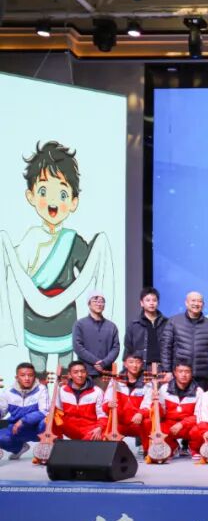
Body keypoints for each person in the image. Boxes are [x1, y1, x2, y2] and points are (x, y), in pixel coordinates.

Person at [3, 141, 113, 374]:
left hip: (65, 318)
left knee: (66, 372)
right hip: (34, 319)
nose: (53, 202)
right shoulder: (30, 238)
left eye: (62, 194)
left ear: (73, 202)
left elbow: (89, 267)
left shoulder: (72, 240)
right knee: (36, 372)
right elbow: (18, 270)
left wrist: (99, 244)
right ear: (31, 195)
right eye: (44, 192)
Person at [160, 291, 208, 389]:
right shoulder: (174, 321)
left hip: (201, 376)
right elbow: (165, 348)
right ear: (186, 303)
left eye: (199, 301)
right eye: (193, 300)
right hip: (179, 376)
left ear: (203, 304)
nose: (196, 304)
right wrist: (167, 370)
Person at [140, 360, 199, 458]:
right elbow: (160, 415)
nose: (183, 375)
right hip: (169, 424)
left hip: (188, 426)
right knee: (150, 424)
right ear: (175, 373)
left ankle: (194, 449)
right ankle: (173, 446)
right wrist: (156, 403)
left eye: (187, 372)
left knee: (199, 429)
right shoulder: (164, 389)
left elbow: (199, 415)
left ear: (191, 373)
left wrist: (182, 424)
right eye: (180, 371)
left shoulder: (198, 391)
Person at [0, 362, 48, 459]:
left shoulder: (41, 389)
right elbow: (2, 411)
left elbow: (45, 411)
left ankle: (46, 450)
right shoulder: (7, 392)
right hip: (16, 430)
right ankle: (20, 448)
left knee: (46, 421)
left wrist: (23, 420)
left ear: (34, 377)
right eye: (22, 375)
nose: (27, 378)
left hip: (36, 429)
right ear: (16, 377)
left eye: (30, 375)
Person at [72, 291, 119, 386]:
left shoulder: (111, 326)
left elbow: (116, 348)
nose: (99, 303)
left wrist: (104, 363)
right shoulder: (80, 324)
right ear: (89, 304)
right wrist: (95, 361)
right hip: (85, 373)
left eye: (102, 301)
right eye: (95, 300)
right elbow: (78, 347)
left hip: (105, 373)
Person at [53, 360, 105, 440]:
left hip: (89, 429)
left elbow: (102, 414)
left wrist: (99, 427)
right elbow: (57, 413)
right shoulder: (61, 390)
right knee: (49, 420)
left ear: (86, 373)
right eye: (76, 372)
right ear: (69, 375)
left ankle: (83, 446)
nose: (80, 375)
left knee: (102, 434)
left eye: (82, 372)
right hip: (69, 428)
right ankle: (58, 444)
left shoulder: (97, 391)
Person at [123, 286, 167, 365]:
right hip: (141, 367)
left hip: (162, 367)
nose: (151, 303)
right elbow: (128, 349)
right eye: (148, 300)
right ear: (142, 303)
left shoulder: (167, 323)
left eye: (154, 300)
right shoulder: (134, 324)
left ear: (158, 303)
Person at [110, 352, 149, 442]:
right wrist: (109, 404)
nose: (135, 365)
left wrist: (141, 413)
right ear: (125, 364)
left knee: (149, 422)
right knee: (106, 422)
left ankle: (146, 449)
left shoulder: (147, 382)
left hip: (138, 421)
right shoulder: (116, 380)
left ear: (142, 364)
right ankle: (113, 448)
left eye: (138, 362)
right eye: (131, 362)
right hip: (120, 422)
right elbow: (107, 400)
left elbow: (148, 402)